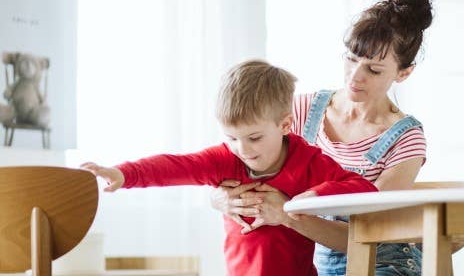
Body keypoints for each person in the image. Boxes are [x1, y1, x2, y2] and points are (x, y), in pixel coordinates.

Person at [211, 0, 433, 275]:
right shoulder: (299, 112)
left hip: (383, 262)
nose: (355, 76)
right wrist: (221, 199)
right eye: (351, 59)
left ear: (404, 72)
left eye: (373, 69)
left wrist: (287, 215)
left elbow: (372, 235)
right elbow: (236, 164)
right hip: (320, 262)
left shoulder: (406, 139)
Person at [81, 60, 378, 276]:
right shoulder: (226, 159)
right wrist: (124, 174)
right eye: (232, 137)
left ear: (285, 124)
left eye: (254, 138)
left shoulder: (308, 161)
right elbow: (175, 166)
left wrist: (311, 197)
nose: (243, 150)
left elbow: (363, 189)